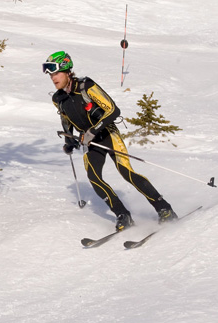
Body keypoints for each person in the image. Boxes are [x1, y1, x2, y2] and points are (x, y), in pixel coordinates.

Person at [43, 51, 177, 232]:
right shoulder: (57, 98)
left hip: (108, 135)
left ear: (67, 71)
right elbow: (66, 120)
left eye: (56, 73)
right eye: (51, 74)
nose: (53, 78)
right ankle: (123, 214)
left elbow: (113, 110)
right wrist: (70, 141)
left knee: (126, 173)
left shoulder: (85, 86)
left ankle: (164, 208)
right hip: (90, 142)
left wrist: (92, 131)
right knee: (94, 178)